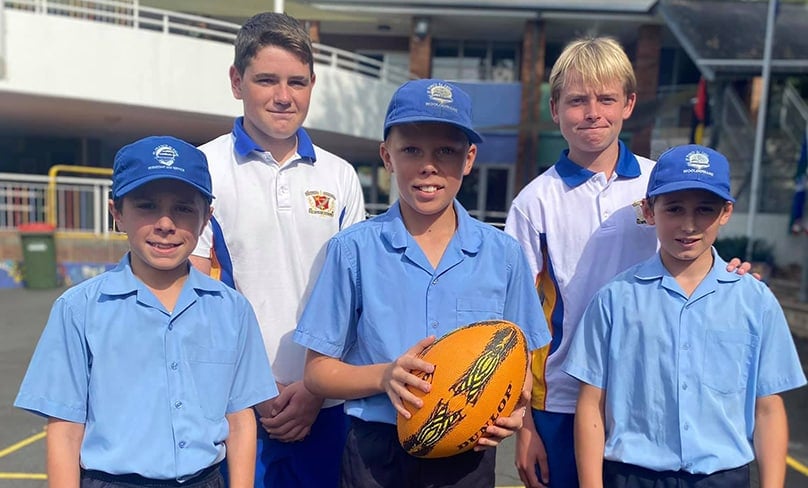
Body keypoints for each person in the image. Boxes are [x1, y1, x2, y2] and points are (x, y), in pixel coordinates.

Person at [504, 36, 752, 488]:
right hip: (561, 399)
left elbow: (695, 260)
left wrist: (731, 272)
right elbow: (516, 321)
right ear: (555, 108)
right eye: (577, 100)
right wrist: (525, 427)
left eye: (606, 98)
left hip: (648, 396)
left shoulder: (663, 185)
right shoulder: (533, 203)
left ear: (629, 104)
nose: (592, 112)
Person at [293, 78, 552, 488]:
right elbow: (317, 373)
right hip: (375, 450)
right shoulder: (352, 250)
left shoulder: (503, 254)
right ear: (387, 156)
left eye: (445, 151)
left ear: (469, 159)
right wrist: (384, 377)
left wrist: (512, 412)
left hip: (468, 454)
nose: (428, 166)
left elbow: (521, 365)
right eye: (411, 149)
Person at [14, 135, 279, 487]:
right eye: (146, 206)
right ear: (117, 214)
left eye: (184, 208)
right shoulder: (78, 310)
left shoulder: (231, 309)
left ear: (206, 220)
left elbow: (241, 418)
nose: (166, 223)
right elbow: (64, 430)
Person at [188, 11, 366, 488]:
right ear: (236, 81)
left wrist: (313, 388)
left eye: (297, 82)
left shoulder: (341, 176)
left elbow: (353, 297)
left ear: (312, 85)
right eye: (266, 80)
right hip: (235, 404)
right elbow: (196, 295)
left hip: (324, 404)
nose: (284, 96)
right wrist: (254, 388)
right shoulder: (202, 168)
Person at [564, 144, 807, 487]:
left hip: (722, 477)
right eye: (674, 208)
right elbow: (591, 404)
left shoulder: (754, 301)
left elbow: (767, 408)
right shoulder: (615, 299)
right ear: (649, 211)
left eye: (704, 210)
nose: (689, 225)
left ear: (725, 212)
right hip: (634, 475)